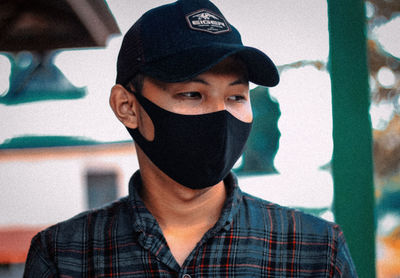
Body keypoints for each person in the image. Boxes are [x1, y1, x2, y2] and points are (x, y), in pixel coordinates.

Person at [24, 0, 358, 277]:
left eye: (236, 97)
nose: (220, 114)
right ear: (127, 106)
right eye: (191, 94)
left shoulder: (315, 253)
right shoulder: (64, 258)